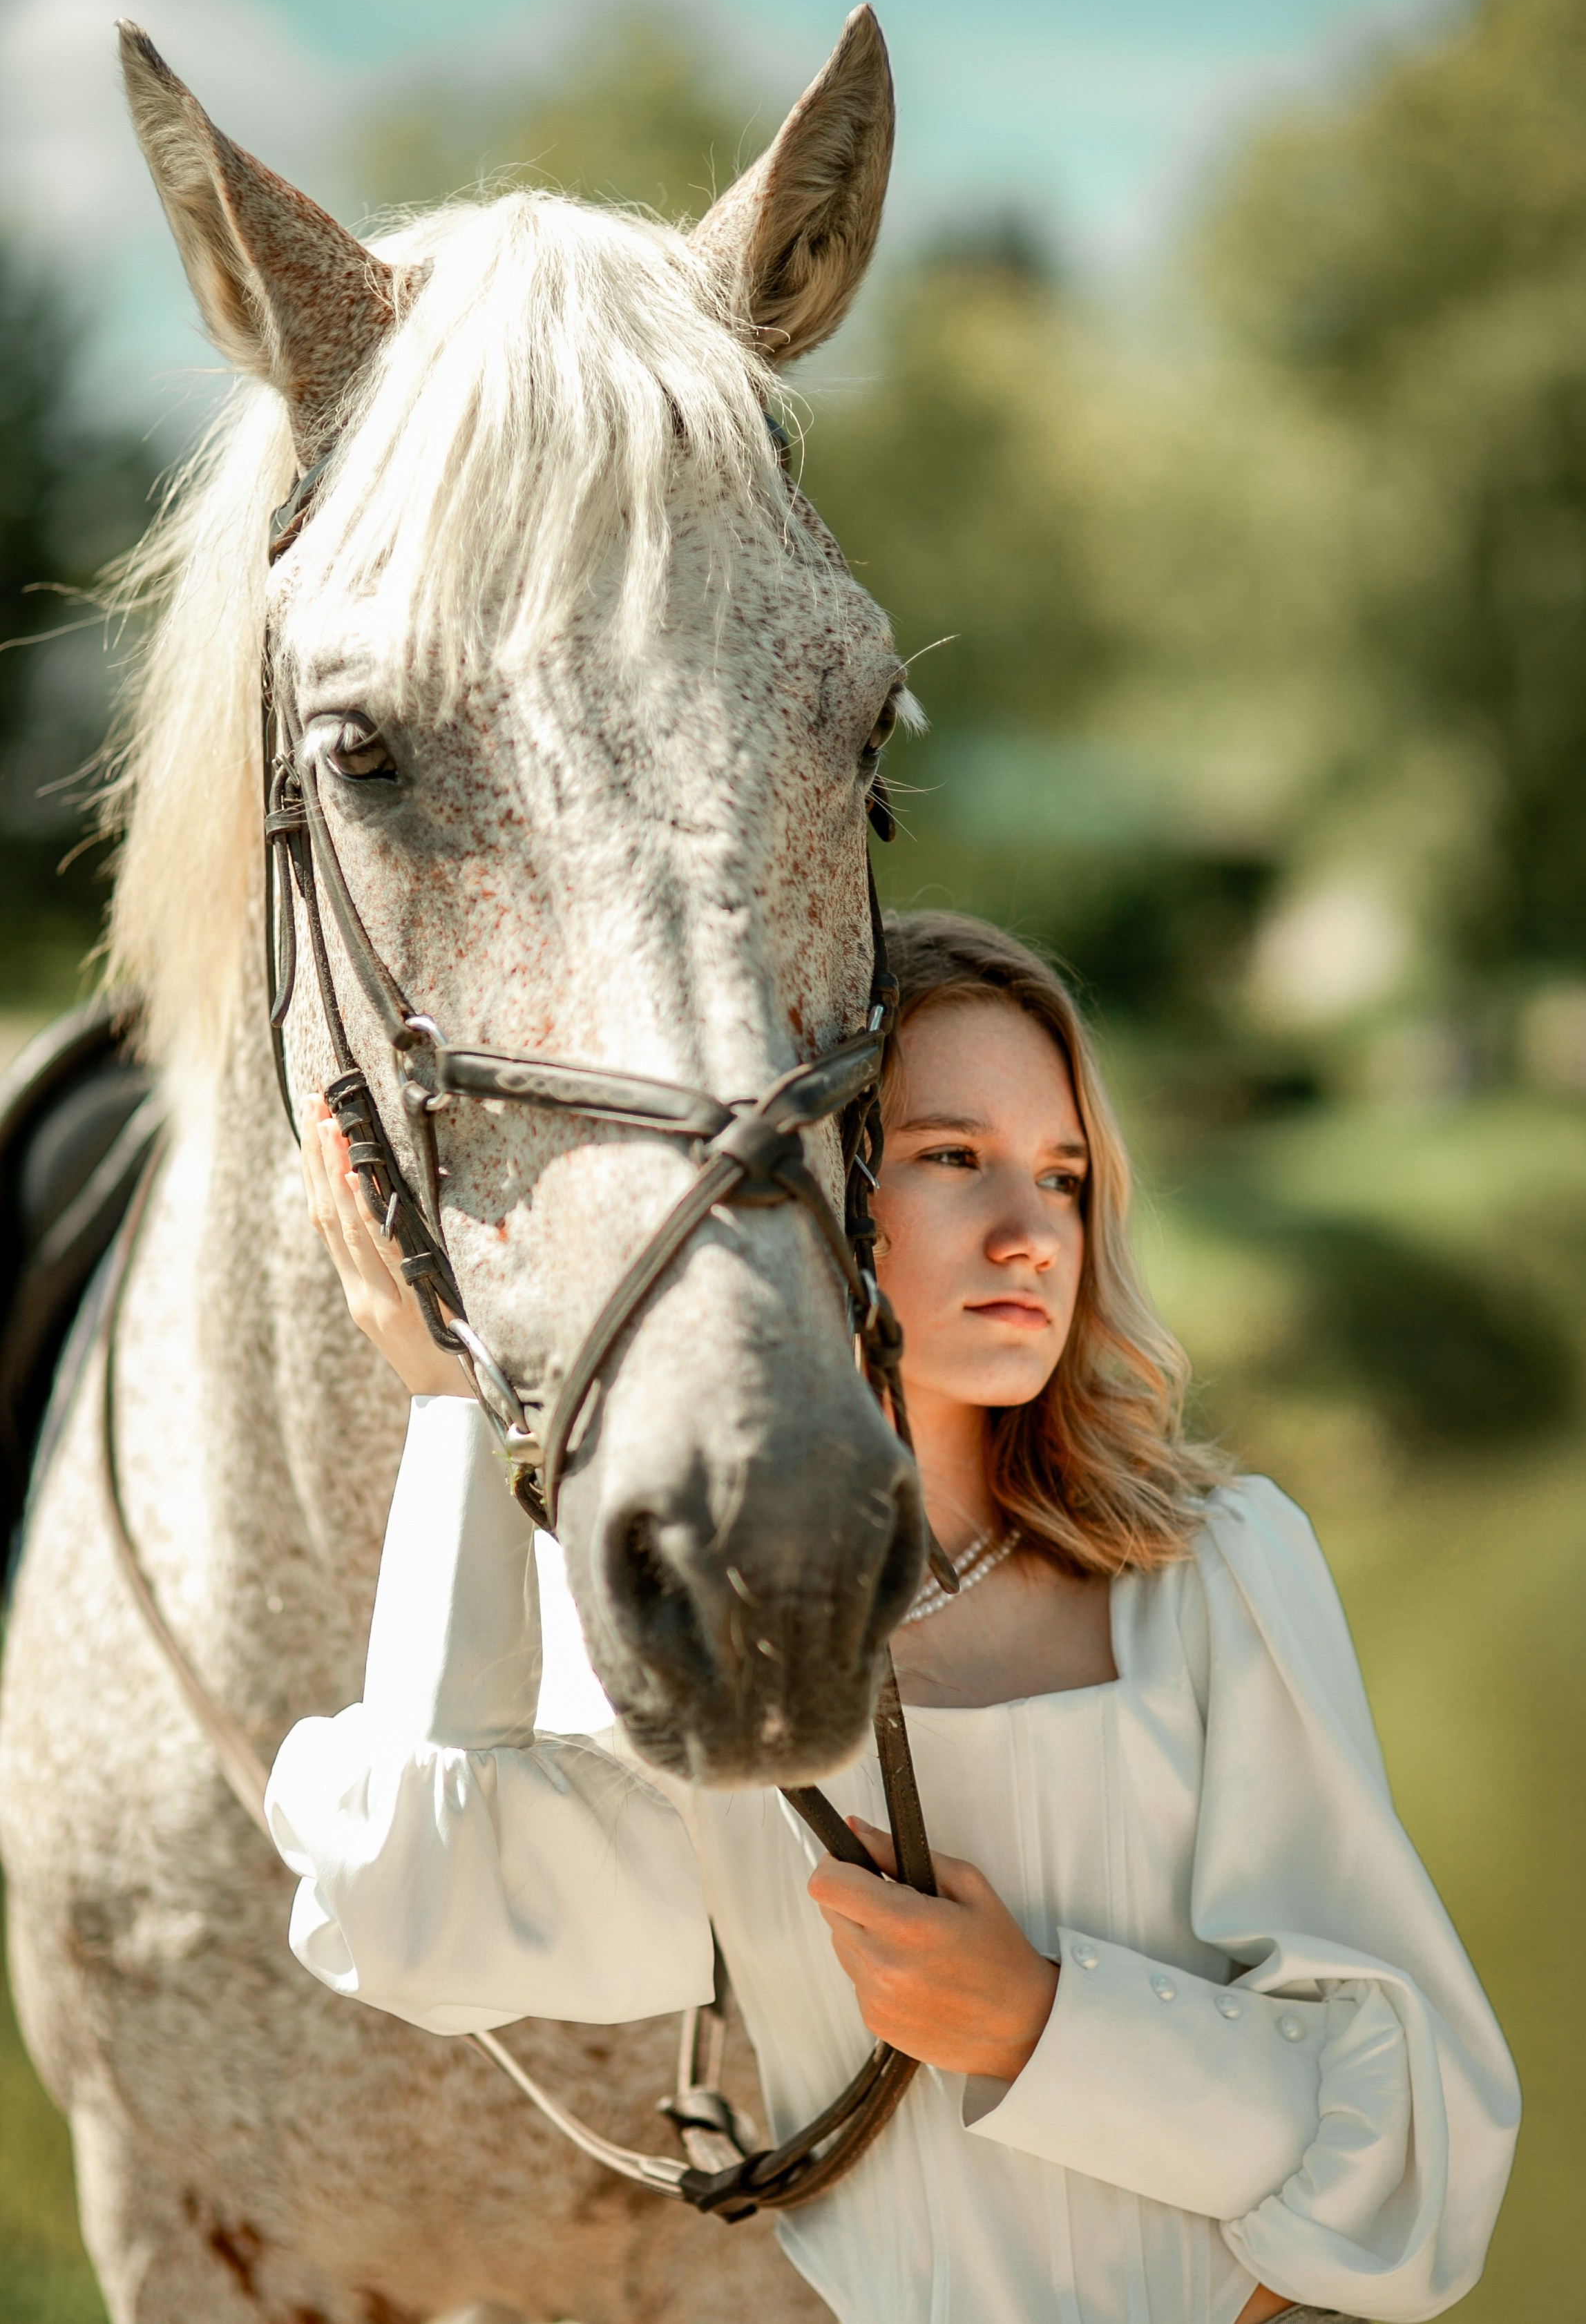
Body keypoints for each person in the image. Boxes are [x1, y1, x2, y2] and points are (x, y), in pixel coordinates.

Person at [266, 910, 1519, 2324]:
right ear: (801, 1183)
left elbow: (1418, 2148)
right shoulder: (723, 1653)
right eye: (951, 1157)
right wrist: (453, 1406)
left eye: (1062, 1176)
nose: (1030, 1237)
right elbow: (420, 1917)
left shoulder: (1215, 1566)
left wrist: (1040, 2022)